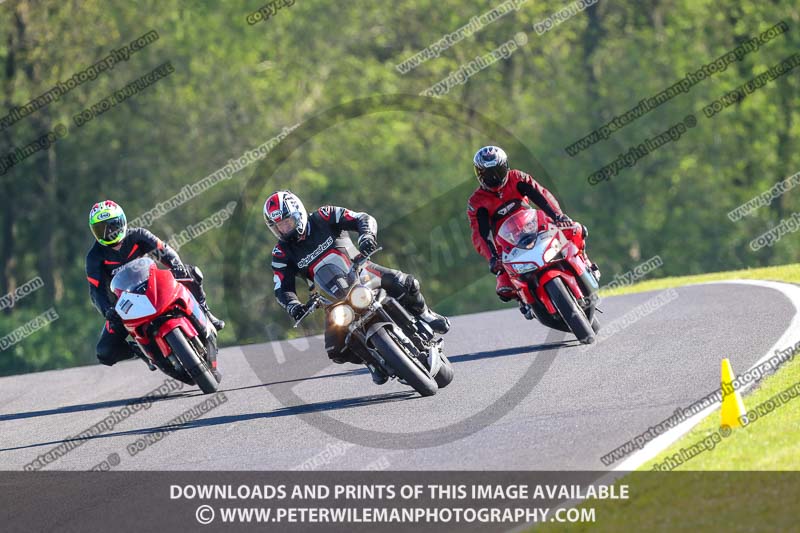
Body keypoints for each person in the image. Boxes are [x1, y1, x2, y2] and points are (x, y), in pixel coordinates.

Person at [265, 190, 450, 384]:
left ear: (298, 214)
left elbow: (362, 218)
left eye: (287, 222)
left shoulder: (324, 216)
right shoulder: (280, 252)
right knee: (335, 350)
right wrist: (293, 305)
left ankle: (425, 315)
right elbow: (281, 287)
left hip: (361, 272)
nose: (283, 229)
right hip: (332, 299)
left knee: (405, 282)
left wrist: (367, 237)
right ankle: (371, 361)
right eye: (278, 226)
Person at [85, 200, 225, 369]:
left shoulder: (138, 235)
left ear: (122, 221)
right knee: (104, 352)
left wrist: (176, 266)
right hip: (125, 306)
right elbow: (96, 291)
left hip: (155, 287)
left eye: (113, 226)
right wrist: (107, 310)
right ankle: (140, 351)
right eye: (101, 229)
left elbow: (165, 251)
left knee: (192, 273)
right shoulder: (94, 256)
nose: (109, 232)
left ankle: (206, 313)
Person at [466, 146, 599, 318]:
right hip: (508, 245)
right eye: (488, 174)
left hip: (537, 227)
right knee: (503, 286)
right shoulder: (477, 202)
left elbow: (542, 195)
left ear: (505, 167)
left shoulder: (517, 177)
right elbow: (480, 234)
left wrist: (558, 216)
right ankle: (525, 301)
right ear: (479, 175)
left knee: (575, 229)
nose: (494, 178)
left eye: (498, 171)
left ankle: (586, 263)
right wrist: (492, 257)